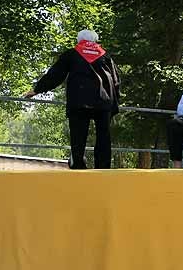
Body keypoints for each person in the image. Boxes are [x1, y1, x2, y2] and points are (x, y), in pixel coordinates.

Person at [24, 29, 120, 169]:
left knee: (78, 135)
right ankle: (103, 168)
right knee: (103, 136)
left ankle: (78, 166)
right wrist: (115, 100)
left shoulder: (72, 54)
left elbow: (55, 74)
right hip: (103, 100)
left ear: (79, 40)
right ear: (95, 40)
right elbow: (116, 80)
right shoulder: (105, 56)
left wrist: (37, 89)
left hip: (79, 100)